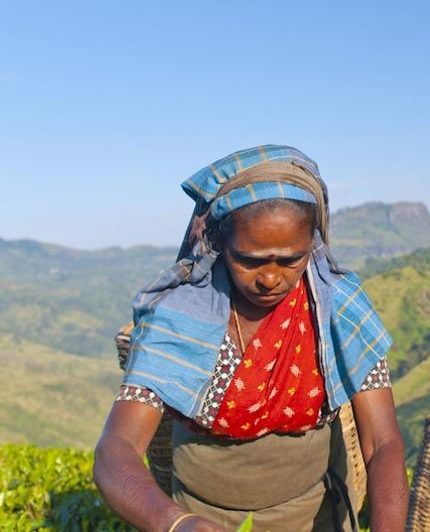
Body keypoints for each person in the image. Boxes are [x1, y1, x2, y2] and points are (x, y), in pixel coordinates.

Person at [94, 146, 408, 532]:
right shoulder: (180, 319)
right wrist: (176, 523)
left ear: (313, 244)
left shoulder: (336, 310)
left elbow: (383, 442)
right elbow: (116, 450)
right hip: (204, 516)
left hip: (319, 511)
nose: (270, 279)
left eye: (291, 259)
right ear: (219, 245)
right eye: (250, 259)